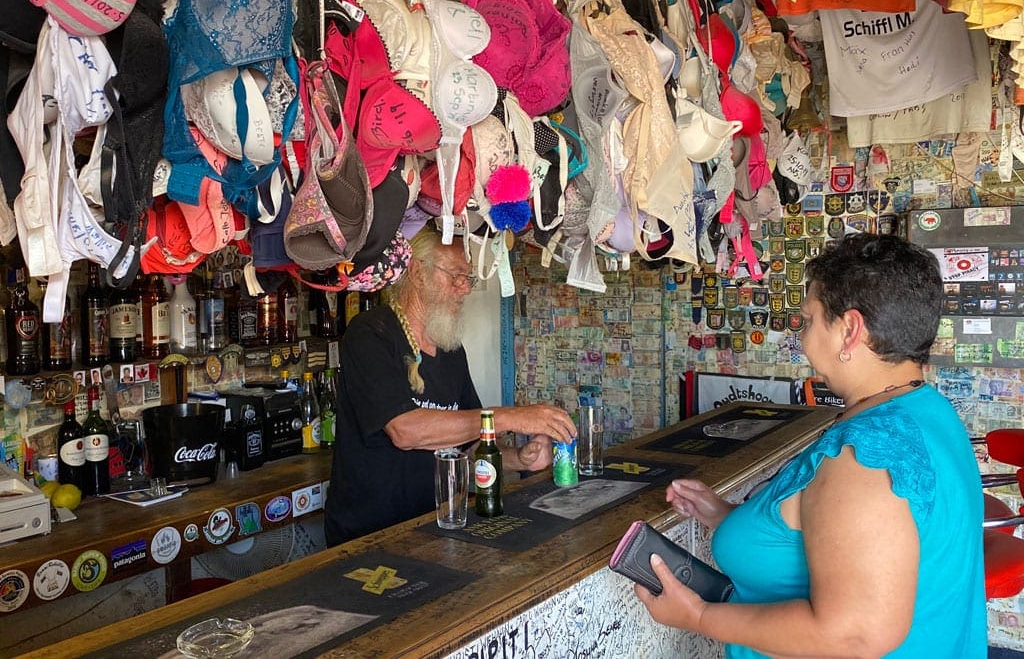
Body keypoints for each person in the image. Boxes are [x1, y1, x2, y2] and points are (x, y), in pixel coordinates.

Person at [637, 233, 985, 657]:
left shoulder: (864, 459)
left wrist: (698, 616)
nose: (803, 338)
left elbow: (851, 633)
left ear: (850, 331)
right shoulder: (926, 407)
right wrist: (728, 516)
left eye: (809, 320)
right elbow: (840, 535)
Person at [324, 229, 576, 545]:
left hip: (436, 526)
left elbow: (467, 447)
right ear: (416, 273)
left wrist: (518, 459)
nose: (465, 288)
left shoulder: (450, 348)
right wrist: (511, 417)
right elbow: (406, 431)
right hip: (367, 535)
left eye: (468, 279)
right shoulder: (370, 334)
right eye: (456, 276)